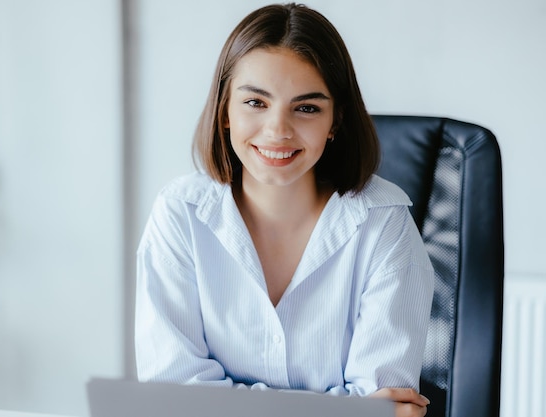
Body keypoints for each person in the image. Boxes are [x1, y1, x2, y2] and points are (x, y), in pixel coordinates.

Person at [135, 3, 434, 417]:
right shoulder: (179, 215)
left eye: (307, 107)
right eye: (256, 102)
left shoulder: (384, 224)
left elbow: (385, 407)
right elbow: (174, 400)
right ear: (224, 110)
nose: (277, 130)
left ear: (335, 121)